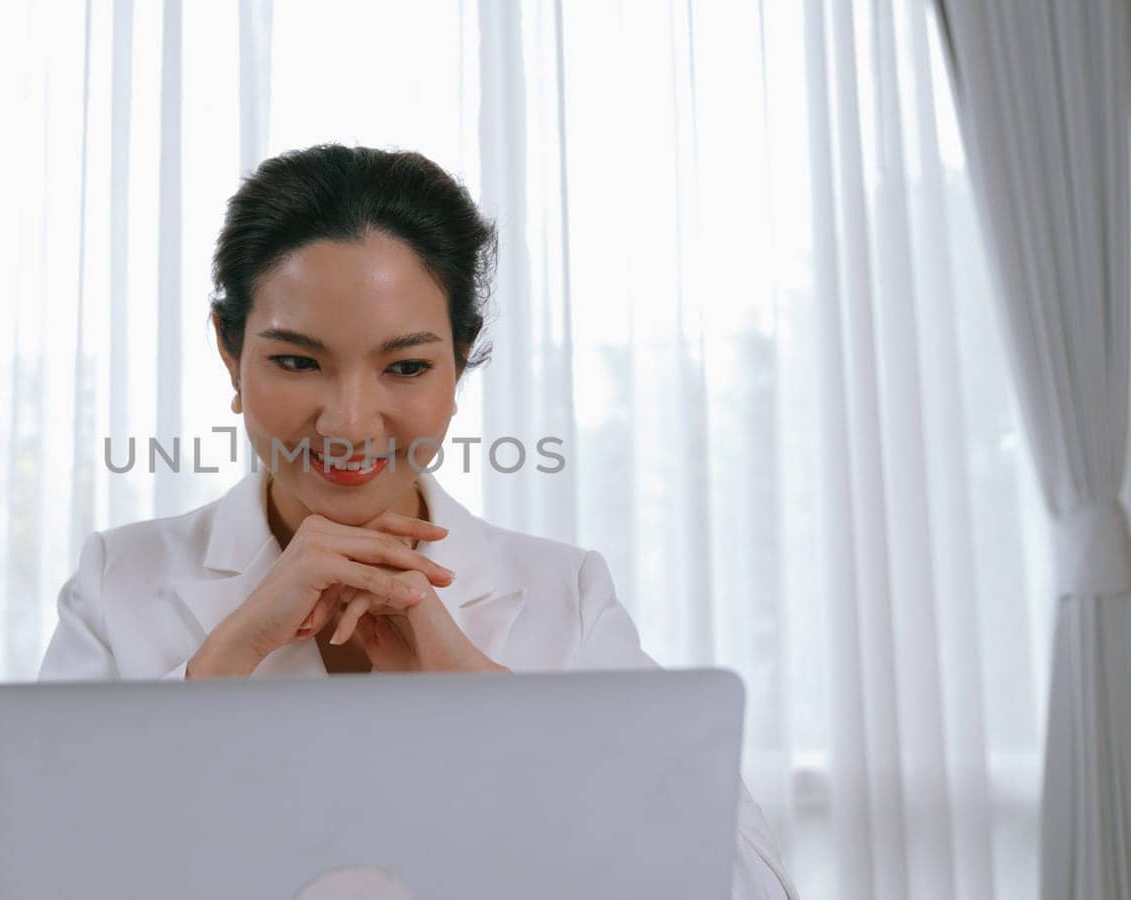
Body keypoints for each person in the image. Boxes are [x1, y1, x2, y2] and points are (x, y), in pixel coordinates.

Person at [40, 144, 799, 898]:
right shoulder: (117, 585)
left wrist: (486, 704)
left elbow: (745, 885)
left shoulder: (566, 595)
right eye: (298, 362)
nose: (348, 420)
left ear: (460, 364)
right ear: (230, 352)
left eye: (405, 367)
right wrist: (223, 662)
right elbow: (35, 871)